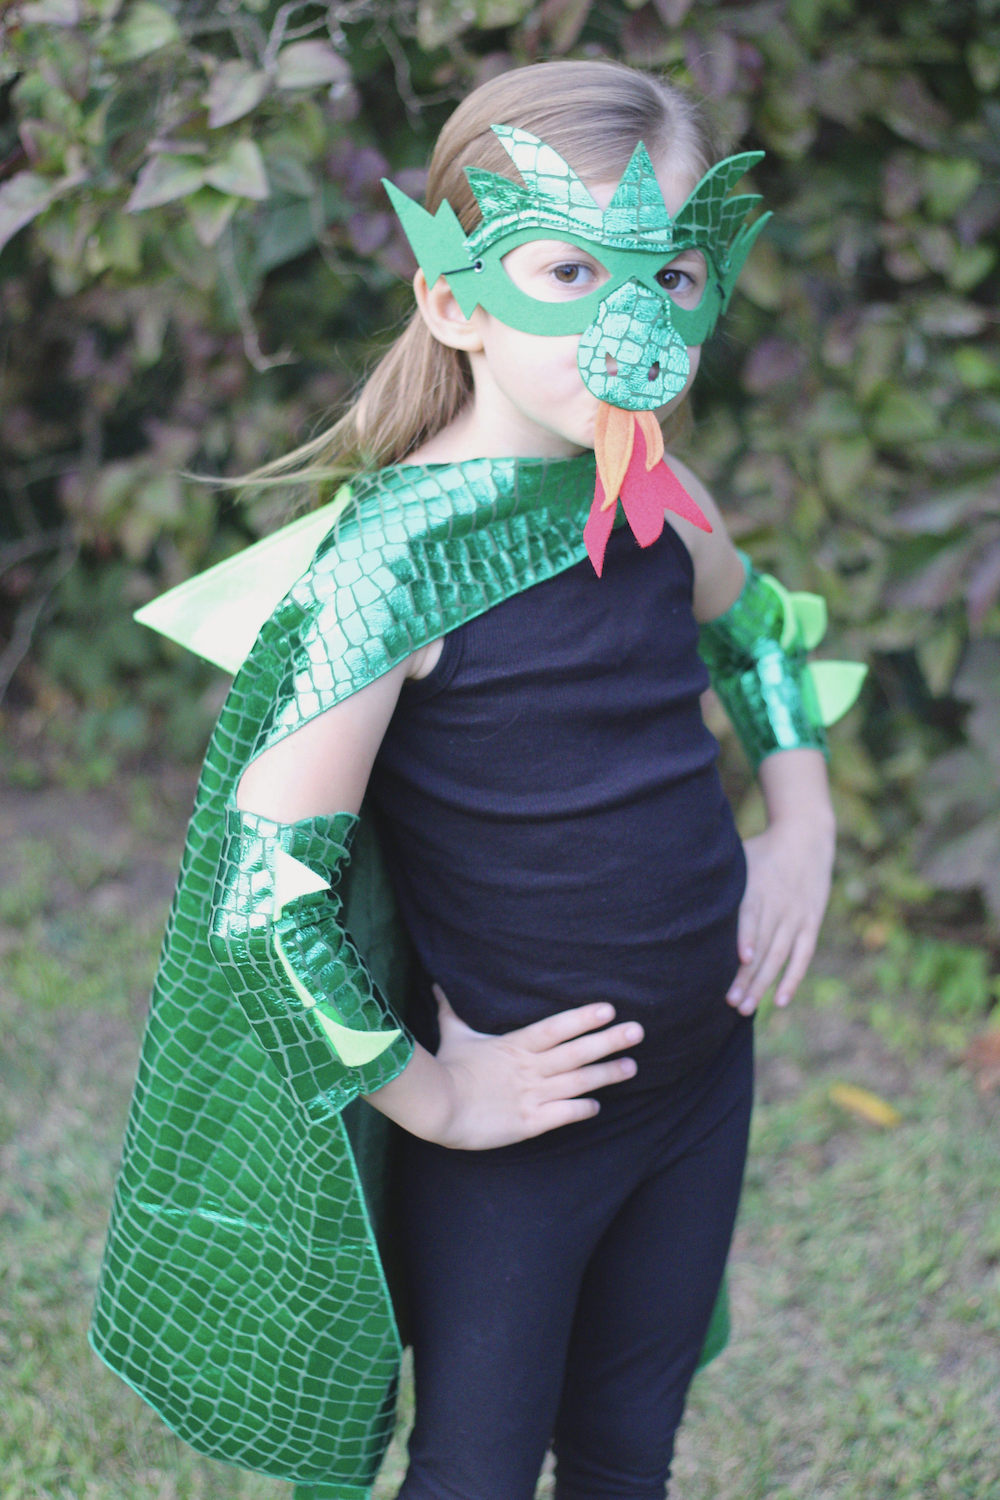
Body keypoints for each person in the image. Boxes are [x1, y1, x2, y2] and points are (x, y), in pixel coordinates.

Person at [91, 58, 859, 1500]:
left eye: (672, 276)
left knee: (628, 1445)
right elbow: (263, 895)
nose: (634, 322)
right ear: (455, 302)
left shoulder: (650, 493)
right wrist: (437, 1100)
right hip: (522, 1130)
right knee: (477, 1470)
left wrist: (802, 817)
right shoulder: (390, 573)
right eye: (570, 271)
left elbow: (756, 628)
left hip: (703, 1075)